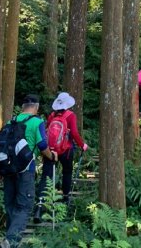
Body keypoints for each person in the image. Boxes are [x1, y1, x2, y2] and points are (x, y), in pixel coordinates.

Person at [0, 94, 57, 248]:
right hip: (26, 169)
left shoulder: (11, 121)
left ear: (22, 107)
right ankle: (10, 241)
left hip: (8, 169)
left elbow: (3, 146)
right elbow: (42, 145)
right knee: (25, 206)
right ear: (36, 107)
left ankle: (9, 241)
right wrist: (52, 156)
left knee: (11, 204)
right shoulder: (37, 122)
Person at [34, 92, 88, 221]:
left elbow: (47, 131)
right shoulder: (70, 115)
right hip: (66, 150)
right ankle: (65, 198)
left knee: (46, 176)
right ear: (68, 104)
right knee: (67, 172)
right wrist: (82, 145)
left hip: (51, 151)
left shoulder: (52, 115)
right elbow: (74, 133)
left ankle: (39, 207)